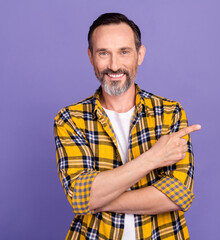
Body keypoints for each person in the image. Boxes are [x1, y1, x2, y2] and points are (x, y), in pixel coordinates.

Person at [54, 12, 201, 240]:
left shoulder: (170, 113)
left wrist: (99, 201)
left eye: (124, 52)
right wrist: (154, 158)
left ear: (139, 55)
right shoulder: (70, 119)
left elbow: (177, 196)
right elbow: (83, 195)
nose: (114, 65)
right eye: (104, 53)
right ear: (91, 57)